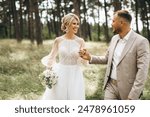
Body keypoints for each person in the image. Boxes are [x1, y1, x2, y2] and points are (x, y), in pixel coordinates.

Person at [79, 10, 150, 100]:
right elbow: (107, 58)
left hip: (128, 90)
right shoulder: (114, 39)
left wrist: (133, 96)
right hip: (110, 86)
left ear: (121, 23)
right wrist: (90, 57)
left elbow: (142, 71)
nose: (111, 24)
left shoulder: (141, 42)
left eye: (113, 21)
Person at [41, 13, 87, 100]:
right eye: (74, 23)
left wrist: (83, 56)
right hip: (60, 73)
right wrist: (48, 73)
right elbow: (51, 57)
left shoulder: (80, 41)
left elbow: (84, 62)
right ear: (66, 24)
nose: (76, 26)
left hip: (75, 74)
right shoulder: (58, 40)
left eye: (77, 24)